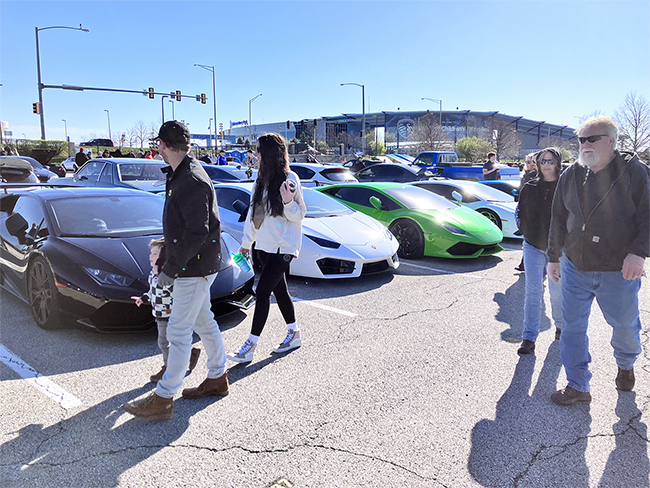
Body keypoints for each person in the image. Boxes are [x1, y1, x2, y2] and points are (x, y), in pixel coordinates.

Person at [122, 120, 229, 420]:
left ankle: (164, 397)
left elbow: (197, 231)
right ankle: (218, 377)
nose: (158, 149)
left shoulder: (190, 178)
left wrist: (170, 268)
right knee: (204, 321)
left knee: (178, 331)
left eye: (158, 144)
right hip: (196, 264)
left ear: (164, 145)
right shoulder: (183, 173)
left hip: (193, 268)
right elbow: (186, 229)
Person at [547, 116, 649, 406]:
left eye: (592, 139)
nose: (585, 145)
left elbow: (648, 216)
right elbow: (558, 217)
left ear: (611, 142)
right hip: (574, 266)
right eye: (581, 139)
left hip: (618, 269)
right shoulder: (571, 174)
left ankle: (626, 365)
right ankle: (578, 385)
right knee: (572, 326)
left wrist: (638, 253)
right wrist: (553, 257)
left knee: (625, 325)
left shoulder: (634, 173)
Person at [227, 133, 307, 363]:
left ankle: (250, 346)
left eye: (259, 150)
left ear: (269, 153)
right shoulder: (260, 180)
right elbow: (253, 215)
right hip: (264, 247)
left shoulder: (289, 179)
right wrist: (246, 244)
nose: (256, 154)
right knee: (280, 290)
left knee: (262, 292)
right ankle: (294, 333)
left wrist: (288, 202)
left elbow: (300, 214)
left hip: (284, 249)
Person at [132, 238, 201, 383]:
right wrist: (143, 298)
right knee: (173, 340)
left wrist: (162, 277)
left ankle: (168, 368)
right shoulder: (152, 273)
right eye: (151, 253)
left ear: (164, 256)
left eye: (155, 254)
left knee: (163, 343)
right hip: (158, 313)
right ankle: (190, 353)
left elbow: (175, 292)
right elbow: (153, 291)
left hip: (169, 314)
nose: (151, 257)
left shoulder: (168, 275)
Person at [516, 148, 564, 354]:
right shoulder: (530, 186)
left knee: (557, 293)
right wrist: (526, 231)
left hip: (558, 249)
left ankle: (561, 326)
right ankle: (529, 337)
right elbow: (520, 211)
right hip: (533, 245)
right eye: (542, 161)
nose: (546, 164)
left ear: (557, 163)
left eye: (550, 161)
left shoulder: (565, 187)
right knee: (533, 292)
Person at [514, 152, 539, 272]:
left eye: (532, 162)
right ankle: (524, 264)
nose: (529, 164)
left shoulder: (536, 175)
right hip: (523, 207)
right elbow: (521, 189)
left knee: (529, 240)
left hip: (532, 210)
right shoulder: (526, 175)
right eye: (528, 162)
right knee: (527, 240)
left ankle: (525, 264)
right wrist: (517, 194)